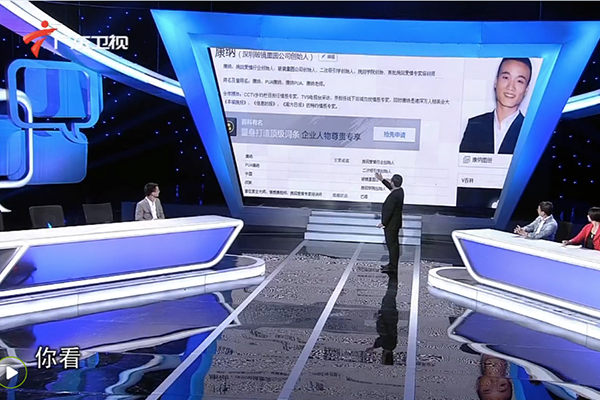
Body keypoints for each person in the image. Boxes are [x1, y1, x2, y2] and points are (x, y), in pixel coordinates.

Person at [459, 58, 532, 155]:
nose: (511, 87)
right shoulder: (474, 125)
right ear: (496, 82)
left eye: (519, 81)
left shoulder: (530, 131)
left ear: (526, 89)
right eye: (506, 78)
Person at [375, 172, 404, 273]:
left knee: (392, 246)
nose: (390, 182)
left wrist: (383, 223)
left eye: (391, 181)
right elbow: (391, 188)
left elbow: (389, 211)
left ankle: (393, 266)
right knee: (394, 245)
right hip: (395, 223)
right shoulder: (400, 191)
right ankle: (392, 264)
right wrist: (382, 180)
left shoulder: (394, 196)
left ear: (393, 183)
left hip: (391, 225)